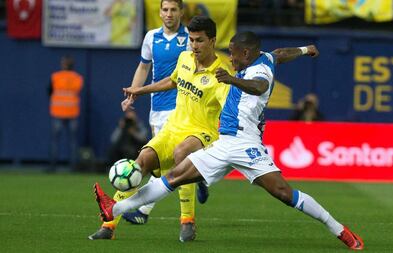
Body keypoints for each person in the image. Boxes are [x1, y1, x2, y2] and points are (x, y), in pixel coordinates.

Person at [93, 31, 364, 250]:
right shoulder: (267, 58)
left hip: (247, 146)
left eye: (233, 55)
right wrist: (306, 50)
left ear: (246, 54)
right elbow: (281, 54)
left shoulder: (259, 73)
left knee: (284, 193)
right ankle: (113, 207)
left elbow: (259, 87)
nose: (230, 59)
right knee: (173, 177)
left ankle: (339, 230)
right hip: (224, 143)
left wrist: (232, 79)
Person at [89, 14, 222, 242]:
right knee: (140, 163)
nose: (194, 45)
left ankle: (187, 221)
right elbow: (173, 81)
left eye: (199, 40)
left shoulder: (221, 75)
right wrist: (140, 90)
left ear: (212, 41)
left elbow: (230, 109)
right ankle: (108, 226)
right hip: (173, 128)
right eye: (191, 40)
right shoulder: (185, 58)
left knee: (183, 154)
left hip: (202, 133)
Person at [48, 55, 84, 172]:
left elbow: (49, 91)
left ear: (63, 64)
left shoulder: (55, 77)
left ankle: (53, 167)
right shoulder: (78, 78)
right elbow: (78, 91)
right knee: (73, 141)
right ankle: (73, 167)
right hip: (72, 112)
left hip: (58, 112)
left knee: (55, 141)